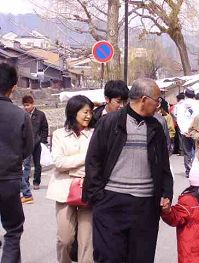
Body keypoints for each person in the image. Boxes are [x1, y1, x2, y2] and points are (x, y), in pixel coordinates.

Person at [82, 78, 173, 263]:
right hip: (111, 203)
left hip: (146, 206)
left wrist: (166, 192)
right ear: (144, 99)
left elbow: (164, 165)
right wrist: (98, 198)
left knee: (141, 257)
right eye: (157, 100)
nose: (159, 105)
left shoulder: (156, 126)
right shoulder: (110, 122)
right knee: (109, 257)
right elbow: (93, 161)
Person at [46, 95, 95, 263]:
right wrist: (85, 158)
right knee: (65, 239)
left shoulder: (94, 134)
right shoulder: (59, 134)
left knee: (86, 241)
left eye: (91, 112)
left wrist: (75, 165)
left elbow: (97, 162)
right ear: (74, 112)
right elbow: (59, 163)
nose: (89, 116)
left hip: (88, 189)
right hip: (63, 191)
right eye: (85, 112)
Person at [0, 63, 33, 262]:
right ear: (13, 87)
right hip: (9, 180)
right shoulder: (20, 114)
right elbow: (28, 148)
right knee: (13, 229)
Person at [175, 88, 199, 177]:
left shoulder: (180, 105)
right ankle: (197, 169)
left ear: (185, 95)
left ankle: (189, 170)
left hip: (185, 132)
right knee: (198, 151)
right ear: (194, 95)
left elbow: (178, 117)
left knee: (187, 152)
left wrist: (184, 130)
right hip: (197, 131)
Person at [22, 95, 49, 190]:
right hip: (26, 144)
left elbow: (45, 128)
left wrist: (42, 140)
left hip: (37, 143)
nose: (26, 107)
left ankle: (36, 182)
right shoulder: (22, 115)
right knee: (26, 164)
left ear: (33, 104)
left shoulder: (41, 114)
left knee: (38, 164)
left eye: (27, 105)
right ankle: (25, 183)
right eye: (24, 105)